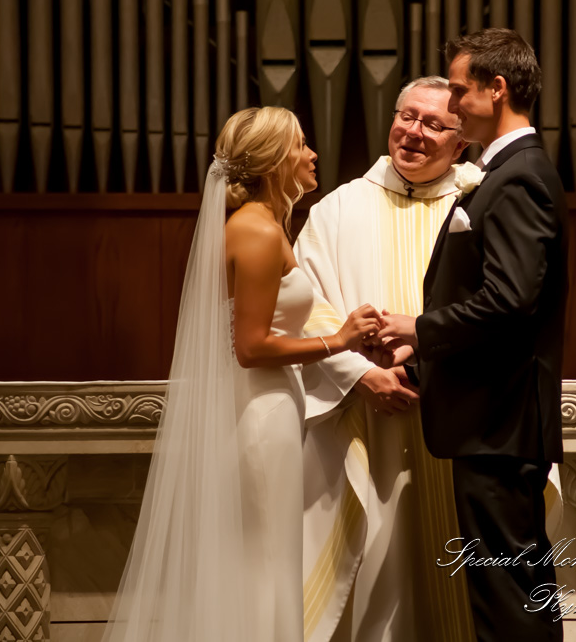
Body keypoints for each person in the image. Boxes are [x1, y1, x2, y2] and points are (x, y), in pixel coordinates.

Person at [101, 107, 381, 642]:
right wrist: (338, 340)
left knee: (268, 557)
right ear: (276, 160)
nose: (312, 154)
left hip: (271, 406)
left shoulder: (263, 225)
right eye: (301, 145)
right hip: (261, 411)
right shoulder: (254, 230)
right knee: (265, 562)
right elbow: (251, 346)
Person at [378, 29, 569, 642]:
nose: (452, 103)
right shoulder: (508, 169)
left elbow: (510, 302)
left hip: (500, 423)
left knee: (508, 602)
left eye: (461, 90)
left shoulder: (519, 176)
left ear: (498, 88)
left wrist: (421, 327)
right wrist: (419, 356)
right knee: (511, 595)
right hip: (494, 420)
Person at [296, 76, 475, 642]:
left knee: (458, 584)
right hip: (362, 421)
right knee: (375, 576)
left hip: (455, 420)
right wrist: (362, 375)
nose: (414, 133)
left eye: (433, 124)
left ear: (461, 142)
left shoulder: (479, 205)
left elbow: (498, 308)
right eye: (407, 117)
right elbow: (305, 308)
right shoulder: (338, 209)